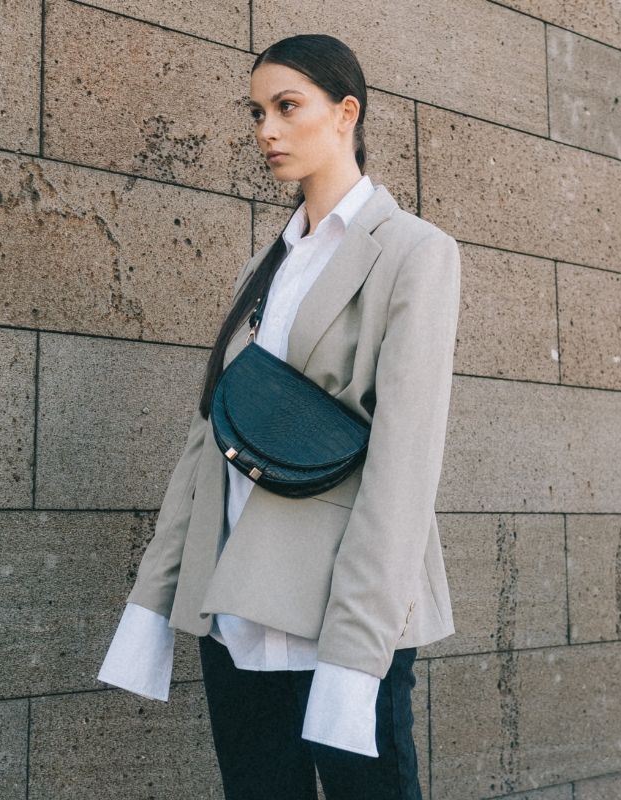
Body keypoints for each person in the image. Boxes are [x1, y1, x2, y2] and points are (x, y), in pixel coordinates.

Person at [97, 34, 460, 800]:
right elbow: (208, 443)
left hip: (338, 614)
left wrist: (356, 650)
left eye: (287, 107)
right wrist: (155, 599)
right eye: (256, 112)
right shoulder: (265, 267)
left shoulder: (414, 254)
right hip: (235, 612)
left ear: (345, 113)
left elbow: (403, 467)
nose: (265, 130)